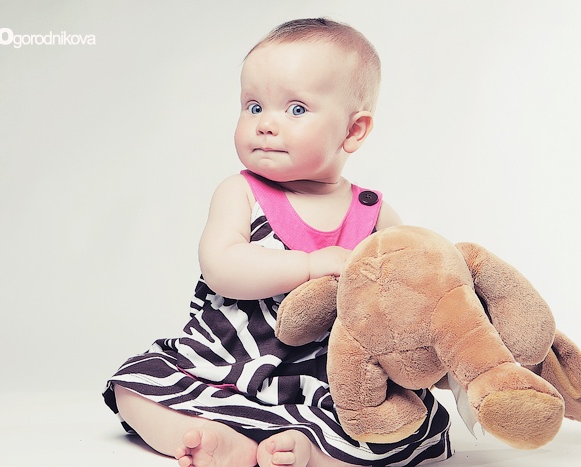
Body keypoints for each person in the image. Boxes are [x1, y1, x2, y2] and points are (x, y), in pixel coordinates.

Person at [103, 18, 452, 467]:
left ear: (353, 131)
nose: (265, 124)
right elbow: (221, 266)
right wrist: (308, 266)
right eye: (253, 106)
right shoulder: (242, 192)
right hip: (225, 366)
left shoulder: (374, 213)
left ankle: (307, 450)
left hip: (331, 381)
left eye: (296, 109)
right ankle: (215, 437)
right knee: (136, 384)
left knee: (404, 422)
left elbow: (407, 291)